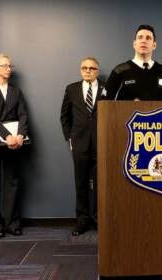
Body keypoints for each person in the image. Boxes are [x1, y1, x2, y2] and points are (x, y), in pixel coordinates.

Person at [60, 57, 105, 236]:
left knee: (100, 183)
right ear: (80, 70)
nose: (88, 71)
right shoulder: (71, 89)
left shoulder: (106, 88)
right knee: (81, 183)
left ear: (97, 71)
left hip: (101, 142)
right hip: (79, 143)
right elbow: (64, 117)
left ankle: (98, 218)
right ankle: (82, 220)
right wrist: (69, 137)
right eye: (84, 68)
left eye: (92, 68)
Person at [0, 53, 29, 238]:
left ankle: (12, 223)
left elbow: (23, 114)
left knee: (12, 181)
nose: (8, 68)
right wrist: (7, 136)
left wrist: (20, 135)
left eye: (10, 66)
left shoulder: (16, 91)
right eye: (4, 65)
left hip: (15, 142)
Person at [104, 24, 162, 101]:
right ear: (134, 44)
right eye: (140, 37)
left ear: (154, 45)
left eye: (148, 38)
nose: (144, 41)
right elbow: (104, 103)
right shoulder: (119, 70)